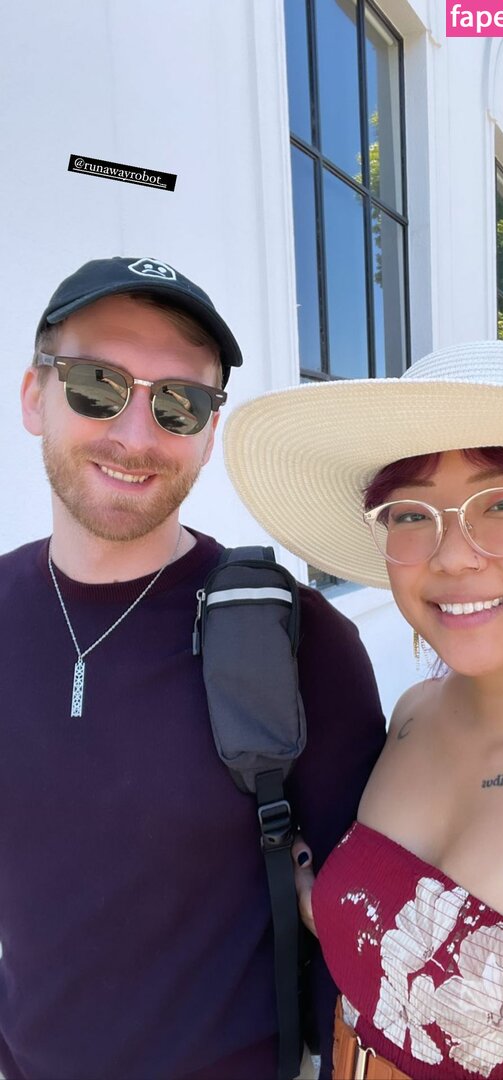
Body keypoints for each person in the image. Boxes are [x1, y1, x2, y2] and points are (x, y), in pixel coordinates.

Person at [0, 255, 386, 1080]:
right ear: (35, 396)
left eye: (180, 403)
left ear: (210, 432)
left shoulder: (298, 643)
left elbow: (353, 950)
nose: (137, 436)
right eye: (97, 386)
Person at [223, 339, 503, 1080]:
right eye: (410, 512)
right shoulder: (413, 715)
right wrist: (331, 905)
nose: (452, 556)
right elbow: (414, 945)